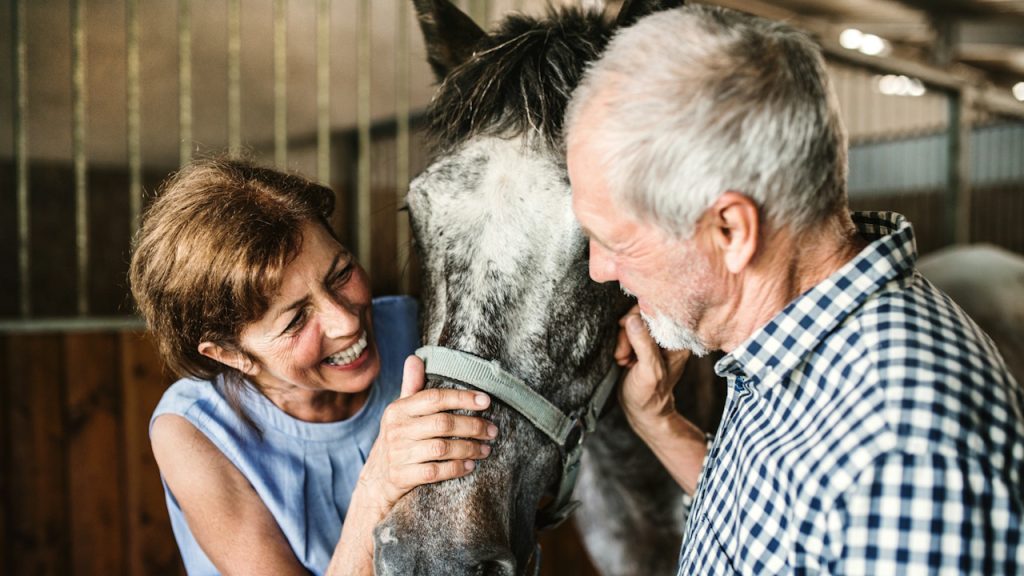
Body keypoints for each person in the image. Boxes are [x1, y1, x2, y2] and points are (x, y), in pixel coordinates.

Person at [566, 5, 1023, 574]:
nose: (599, 269)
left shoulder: (904, 452)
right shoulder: (783, 337)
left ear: (731, 231)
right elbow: (781, 527)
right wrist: (659, 421)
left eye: (616, 242)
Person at [130, 158, 497, 575]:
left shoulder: (416, 330)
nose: (347, 321)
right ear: (231, 355)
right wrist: (378, 486)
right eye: (296, 319)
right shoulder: (193, 432)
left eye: (340, 274)